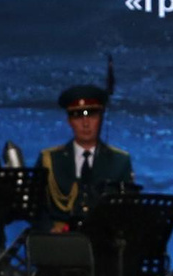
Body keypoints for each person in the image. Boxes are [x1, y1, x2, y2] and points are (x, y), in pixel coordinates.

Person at [36, 84, 135, 228]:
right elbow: (37, 210)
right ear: (69, 121)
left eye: (92, 115)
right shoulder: (50, 160)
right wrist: (51, 231)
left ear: (101, 118)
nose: (86, 124)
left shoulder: (119, 162)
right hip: (60, 244)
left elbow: (128, 212)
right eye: (78, 116)